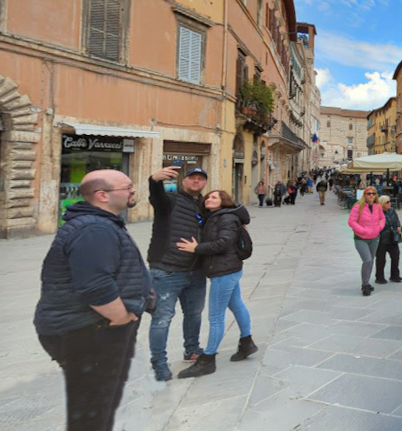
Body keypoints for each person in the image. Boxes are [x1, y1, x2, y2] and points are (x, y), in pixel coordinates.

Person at [35, 170, 150, 431]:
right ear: (102, 196)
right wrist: (122, 318)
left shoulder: (99, 224)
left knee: (98, 405)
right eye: (127, 187)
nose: (133, 191)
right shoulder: (95, 229)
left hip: (87, 327)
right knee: (91, 413)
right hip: (87, 329)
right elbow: (96, 286)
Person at [173, 190, 255, 378]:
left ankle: (208, 359)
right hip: (229, 269)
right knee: (237, 304)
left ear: (223, 202)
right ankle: (247, 343)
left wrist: (197, 248)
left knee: (216, 317)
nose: (209, 199)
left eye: (214, 197)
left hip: (223, 271)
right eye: (208, 197)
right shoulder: (217, 216)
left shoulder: (225, 218)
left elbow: (224, 243)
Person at [146, 165, 207, 382]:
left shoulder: (203, 204)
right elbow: (157, 199)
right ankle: (159, 364)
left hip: (196, 271)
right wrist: (154, 180)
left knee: (194, 314)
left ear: (205, 183)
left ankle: (192, 350)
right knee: (162, 319)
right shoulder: (170, 201)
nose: (196, 182)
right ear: (184, 181)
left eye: (200, 179)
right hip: (167, 270)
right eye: (192, 178)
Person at [348, 186, 387, 296]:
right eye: (368, 193)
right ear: (364, 195)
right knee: (367, 260)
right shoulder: (358, 206)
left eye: (373, 193)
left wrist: (379, 227)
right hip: (361, 239)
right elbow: (351, 222)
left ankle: (367, 282)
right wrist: (363, 230)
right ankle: (365, 284)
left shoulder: (378, 206)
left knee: (371, 261)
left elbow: (382, 218)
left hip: (374, 238)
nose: (371, 195)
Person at [375, 196, 402, 285]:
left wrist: (398, 226)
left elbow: (396, 220)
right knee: (381, 259)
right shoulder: (377, 213)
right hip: (382, 239)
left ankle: (395, 275)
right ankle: (379, 277)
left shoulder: (392, 210)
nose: (389, 203)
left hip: (392, 238)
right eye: (387, 202)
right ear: (382, 203)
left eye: (389, 201)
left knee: (396, 256)